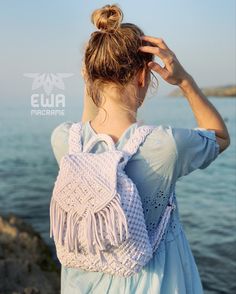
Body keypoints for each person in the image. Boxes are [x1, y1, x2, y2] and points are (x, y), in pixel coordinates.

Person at [50, 4, 230, 294]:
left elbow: (88, 127)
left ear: (91, 76)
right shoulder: (165, 146)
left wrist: (91, 76)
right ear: (143, 77)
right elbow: (220, 137)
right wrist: (184, 81)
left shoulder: (65, 142)